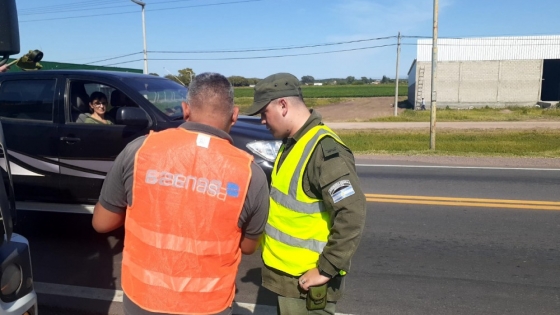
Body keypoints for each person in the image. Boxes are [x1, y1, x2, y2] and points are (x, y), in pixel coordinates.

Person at [92, 72, 270, 315]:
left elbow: (102, 223)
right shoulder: (251, 174)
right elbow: (249, 247)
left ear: (185, 109)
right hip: (209, 306)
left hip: (143, 299)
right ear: (235, 115)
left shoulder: (139, 150)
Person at [245, 73, 366, 314]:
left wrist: (325, 269)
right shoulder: (292, 143)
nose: (261, 121)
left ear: (282, 105)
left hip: (306, 281)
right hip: (289, 278)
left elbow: (352, 213)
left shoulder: (323, 151)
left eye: (263, 113)